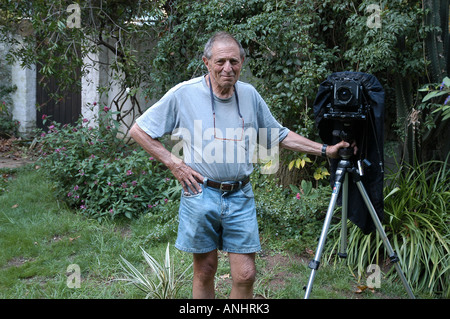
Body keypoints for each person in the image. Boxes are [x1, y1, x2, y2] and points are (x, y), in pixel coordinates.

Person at [130, 31, 350, 299]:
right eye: (220, 61)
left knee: (246, 274)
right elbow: (139, 130)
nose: (227, 68)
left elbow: (278, 134)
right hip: (201, 193)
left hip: (240, 195)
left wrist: (326, 149)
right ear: (206, 62)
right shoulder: (183, 94)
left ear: (242, 63)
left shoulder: (249, 95)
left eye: (234, 61)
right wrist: (174, 163)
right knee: (205, 270)